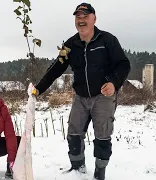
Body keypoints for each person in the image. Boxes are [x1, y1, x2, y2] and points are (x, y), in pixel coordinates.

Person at [31, 3, 130, 180]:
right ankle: (77, 169)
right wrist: (39, 88)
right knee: (74, 133)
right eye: (78, 17)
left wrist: (114, 83)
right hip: (80, 97)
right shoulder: (70, 45)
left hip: (103, 96)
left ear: (94, 18)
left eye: (85, 16)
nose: (81, 20)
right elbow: (55, 68)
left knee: (102, 135)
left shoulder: (107, 40)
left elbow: (124, 64)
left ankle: (100, 172)